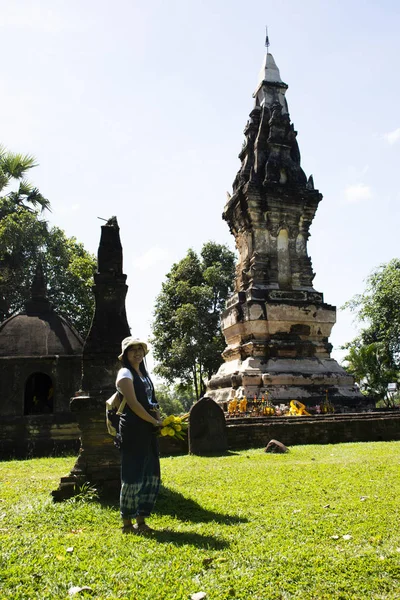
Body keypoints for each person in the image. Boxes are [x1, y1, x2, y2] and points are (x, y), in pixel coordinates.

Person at [116, 336, 163, 534]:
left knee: (150, 473)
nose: (137, 353)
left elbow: (151, 401)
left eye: (140, 349)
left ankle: (141, 520)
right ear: (125, 354)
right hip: (134, 429)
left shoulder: (143, 374)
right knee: (133, 474)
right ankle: (128, 523)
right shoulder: (125, 373)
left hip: (148, 429)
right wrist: (153, 421)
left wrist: (159, 419)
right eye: (132, 349)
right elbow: (134, 404)